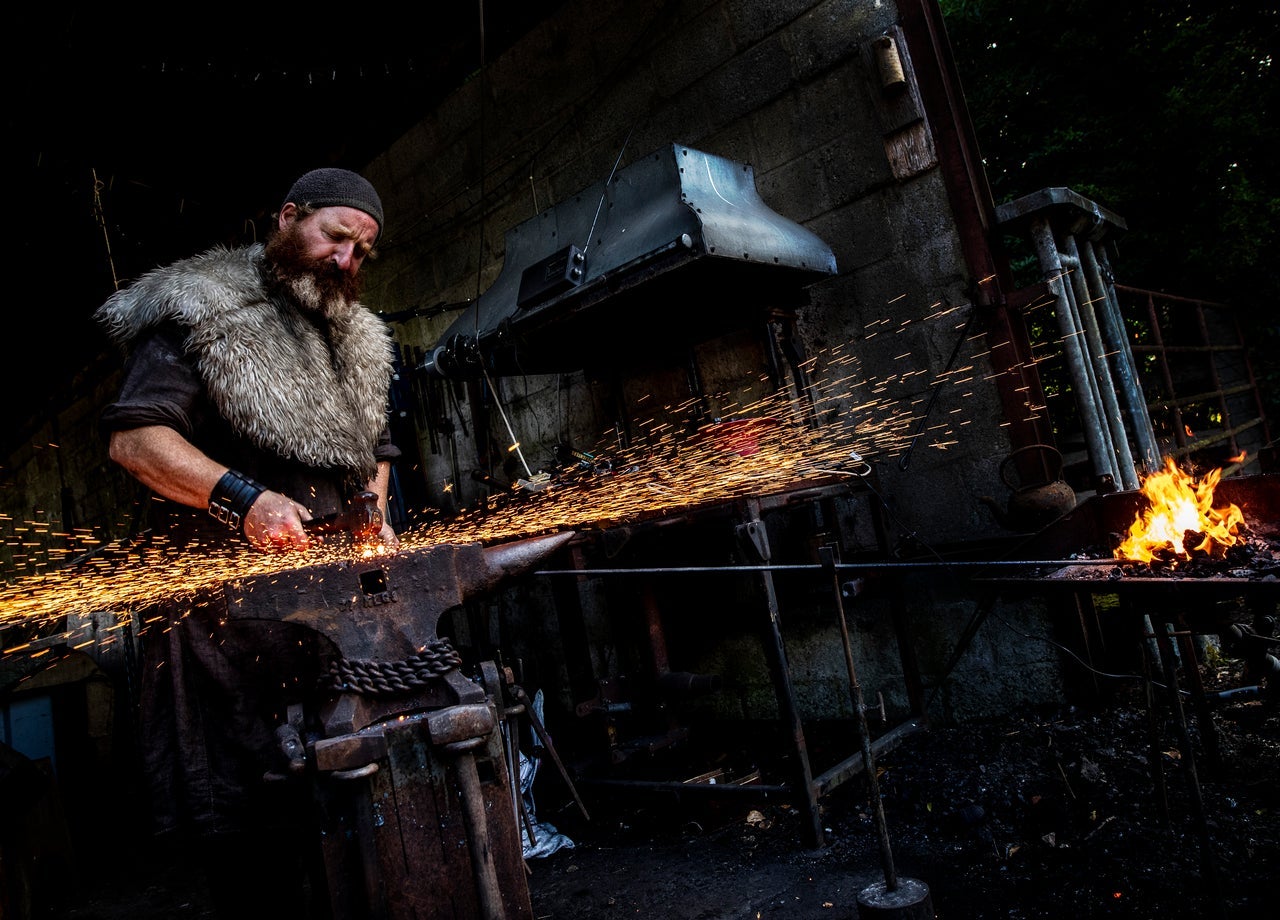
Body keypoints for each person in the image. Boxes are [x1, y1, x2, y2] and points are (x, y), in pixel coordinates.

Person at [93, 167, 402, 918]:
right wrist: (245, 499)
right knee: (255, 846)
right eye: (335, 236)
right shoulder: (202, 312)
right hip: (226, 637)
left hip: (329, 630)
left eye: (361, 251)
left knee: (353, 832)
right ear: (287, 217)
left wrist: (374, 516)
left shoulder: (353, 340)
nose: (345, 261)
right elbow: (137, 442)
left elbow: (379, 452)